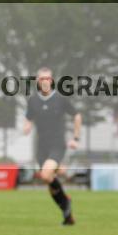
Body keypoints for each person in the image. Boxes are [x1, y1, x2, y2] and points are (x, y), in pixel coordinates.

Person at [23, 68, 81, 225]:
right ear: (37, 81)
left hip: (57, 144)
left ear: (52, 80)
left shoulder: (60, 99)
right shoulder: (33, 100)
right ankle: (66, 212)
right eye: (42, 79)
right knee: (49, 180)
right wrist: (27, 126)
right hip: (41, 147)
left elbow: (76, 115)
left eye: (48, 79)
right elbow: (28, 117)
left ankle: (66, 203)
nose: (45, 82)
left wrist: (75, 138)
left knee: (46, 175)